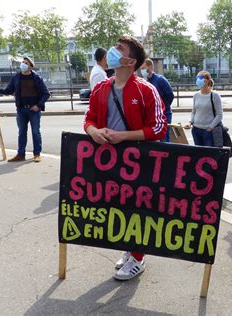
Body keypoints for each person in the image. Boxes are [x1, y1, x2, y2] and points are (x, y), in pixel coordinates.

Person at [84, 35, 167, 281]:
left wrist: (123, 136)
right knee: (118, 208)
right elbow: (88, 119)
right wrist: (94, 131)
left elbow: (159, 128)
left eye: (119, 49)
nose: (112, 51)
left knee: (137, 209)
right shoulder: (100, 88)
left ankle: (138, 258)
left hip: (138, 163)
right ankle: (130, 249)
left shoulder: (146, 90)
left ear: (131, 61)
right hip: (108, 161)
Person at [0, 57, 50, 162]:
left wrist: (38, 105)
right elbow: (8, 91)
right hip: (21, 110)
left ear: (30, 66)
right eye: (23, 62)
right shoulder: (16, 77)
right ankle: (21, 155)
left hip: (34, 110)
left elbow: (46, 94)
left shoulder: (36, 78)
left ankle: (37, 154)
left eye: (26, 63)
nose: (23, 64)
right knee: (22, 132)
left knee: (35, 132)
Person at [185, 71, 223, 147]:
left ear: (207, 81)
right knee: (199, 155)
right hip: (196, 130)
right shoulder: (196, 95)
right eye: (197, 78)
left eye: (201, 78)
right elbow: (194, 111)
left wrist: (211, 127)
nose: (198, 80)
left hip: (208, 131)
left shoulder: (215, 95)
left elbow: (219, 114)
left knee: (209, 155)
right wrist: (190, 122)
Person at [140, 58, 174, 142]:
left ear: (150, 67)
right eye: (141, 69)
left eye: (143, 68)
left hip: (164, 114)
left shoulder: (160, 80)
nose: (142, 71)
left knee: (164, 139)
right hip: (152, 116)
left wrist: (164, 107)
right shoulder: (146, 82)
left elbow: (170, 95)